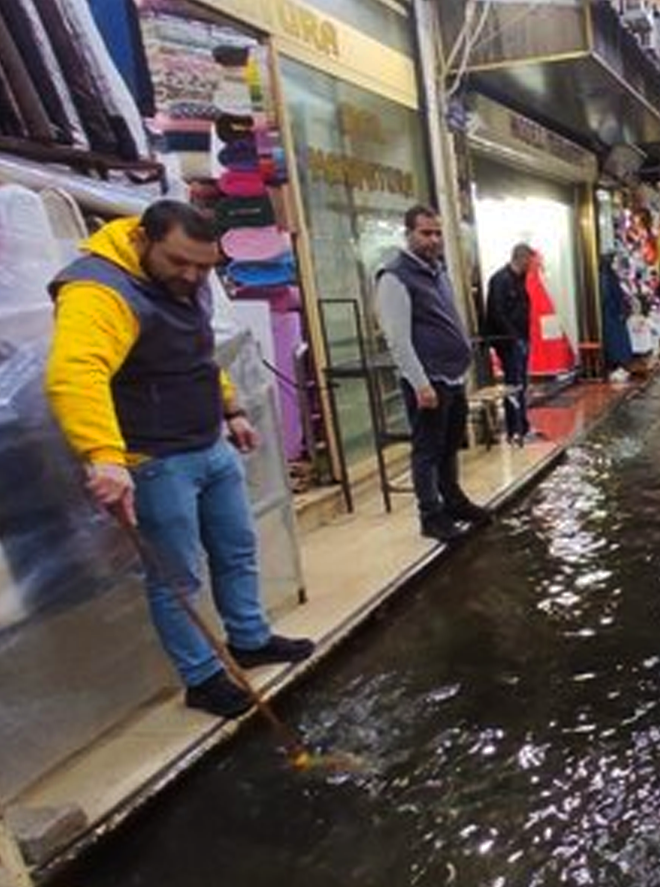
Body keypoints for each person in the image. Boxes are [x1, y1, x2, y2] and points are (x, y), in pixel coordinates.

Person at [45, 199, 314, 719]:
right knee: (178, 575)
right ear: (144, 241)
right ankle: (202, 677)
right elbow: (76, 374)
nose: (191, 275)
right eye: (179, 262)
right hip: (155, 458)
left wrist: (232, 408)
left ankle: (249, 637)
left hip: (208, 442)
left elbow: (197, 353)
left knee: (237, 547)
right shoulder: (97, 291)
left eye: (204, 266)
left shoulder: (186, 283)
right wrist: (104, 456)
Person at [375, 205, 491, 543]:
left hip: (452, 376)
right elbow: (397, 338)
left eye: (437, 233)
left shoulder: (437, 271)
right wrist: (420, 383)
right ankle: (431, 514)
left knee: (450, 445)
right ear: (408, 234)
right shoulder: (395, 276)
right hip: (428, 380)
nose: (434, 239)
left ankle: (453, 500)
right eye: (426, 233)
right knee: (427, 449)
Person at [483, 243, 534, 445]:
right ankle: (515, 428)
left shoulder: (518, 279)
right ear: (521, 259)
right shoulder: (501, 280)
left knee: (520, 383)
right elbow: (497, 312)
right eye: (529, 261)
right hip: (509, 341)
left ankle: (522, 424)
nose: (531, 265)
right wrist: (513, 338)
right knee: (514, 384)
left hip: (520, 338)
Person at [598, 253, 634, 383]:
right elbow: (611, 296)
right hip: (613, 315)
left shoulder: (606, 277)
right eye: (612, 261)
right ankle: (619, 365)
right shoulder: (608, 278)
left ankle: (618, 366)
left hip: (612, 315)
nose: (614, 264)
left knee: (615, 341)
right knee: (617, 341)